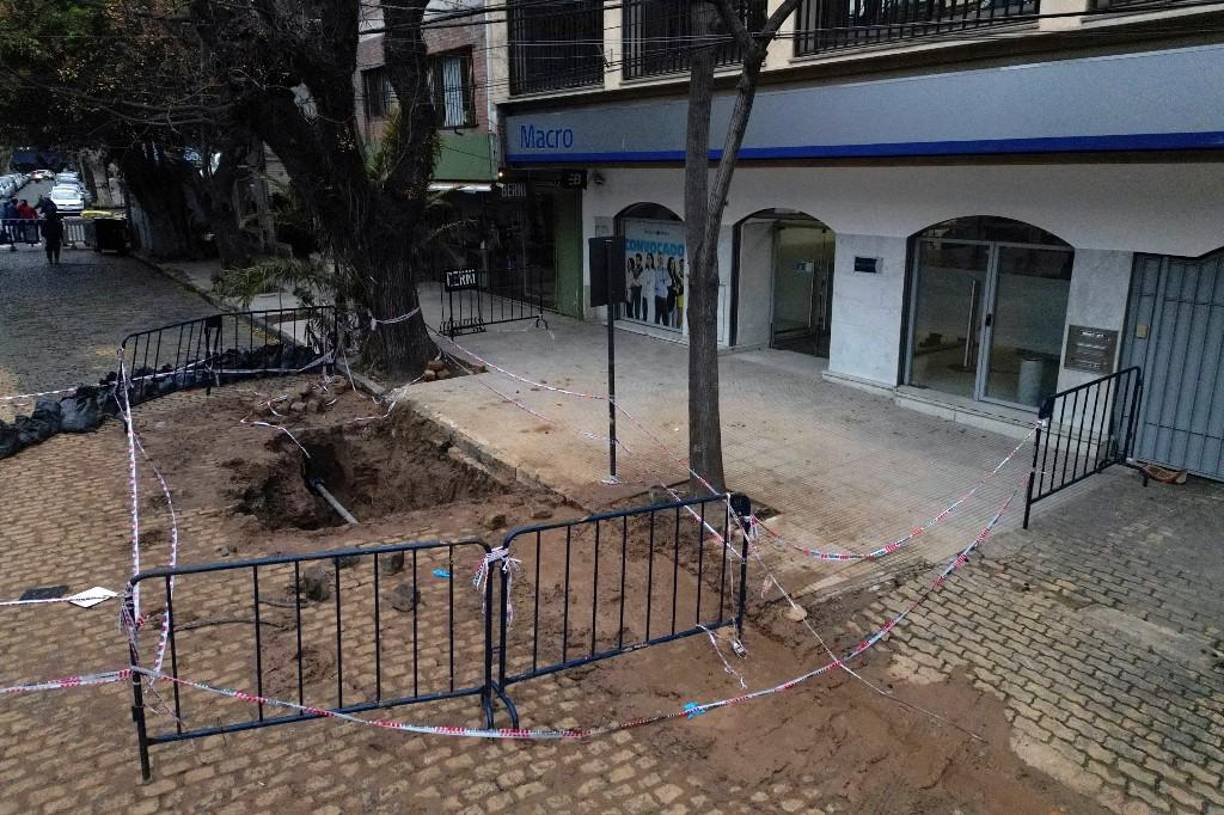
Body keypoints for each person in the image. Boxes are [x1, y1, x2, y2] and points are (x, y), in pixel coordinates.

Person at [652, 253, 670, 326]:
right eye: (659, 259)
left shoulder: (665, 271)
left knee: (666, 319)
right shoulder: (655, 270)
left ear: (663, 260)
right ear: (657, 260)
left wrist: (664, 281)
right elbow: (654, 284)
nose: (660, 260)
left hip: (664, 298)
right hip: (658, 297)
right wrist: (659, 284)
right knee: (657, 317)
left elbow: (670, 282)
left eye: (661, 259)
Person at [628, 253, 645, 320]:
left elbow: (639, 283)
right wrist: (634, 281)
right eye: (636, 260)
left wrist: (634, 281)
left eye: (638, 260)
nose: (636, 261)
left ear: (640, 261)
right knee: (630, 306)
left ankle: (637, 320)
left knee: (637, 308)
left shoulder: (642, 270)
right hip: (632, 290)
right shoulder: (634, 269)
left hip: (638, 291)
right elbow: (632, 280)